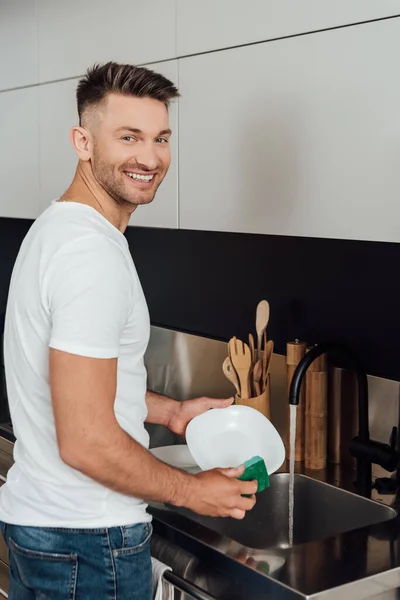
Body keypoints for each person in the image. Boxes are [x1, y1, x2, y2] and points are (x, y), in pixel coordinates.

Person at [0, 61, 257, 600]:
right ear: (83, 142)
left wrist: (171, 413)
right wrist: (193, 492)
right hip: (89, 540)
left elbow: (80, 390)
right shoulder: (88, 254)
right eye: (128, 137)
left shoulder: (60, 228)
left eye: (161, 138)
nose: (150, 157)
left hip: (46, 528)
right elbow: (88, 441)